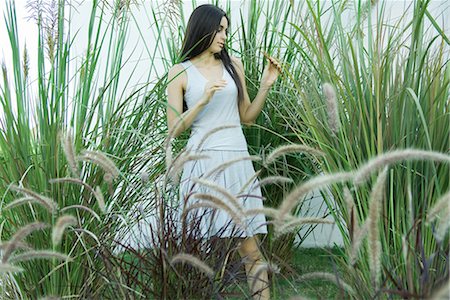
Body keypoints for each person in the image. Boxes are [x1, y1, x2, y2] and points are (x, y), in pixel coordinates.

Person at [166, 4, 281, 299]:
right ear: (202, 29)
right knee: (199, 250)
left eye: (226, 30)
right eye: (219, 29)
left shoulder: (234, 65)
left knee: (250, 248)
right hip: (202, 164)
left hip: (236, 159)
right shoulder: (179, 72)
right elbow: (174, 129)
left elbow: (247, 116)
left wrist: (266, 84)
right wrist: (202, 101)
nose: (224, 36)